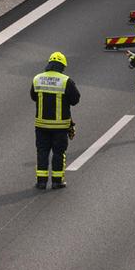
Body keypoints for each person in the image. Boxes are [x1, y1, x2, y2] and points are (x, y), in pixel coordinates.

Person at [31, 51, 81, 189]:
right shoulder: (66, 81)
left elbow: (33, 96)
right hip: (60, 127)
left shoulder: (37, 79)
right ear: (62, 67)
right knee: (59, 153)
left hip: (41, 125)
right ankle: (57, 181)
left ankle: (41, 182)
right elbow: (75, 100)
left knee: (42, 152)